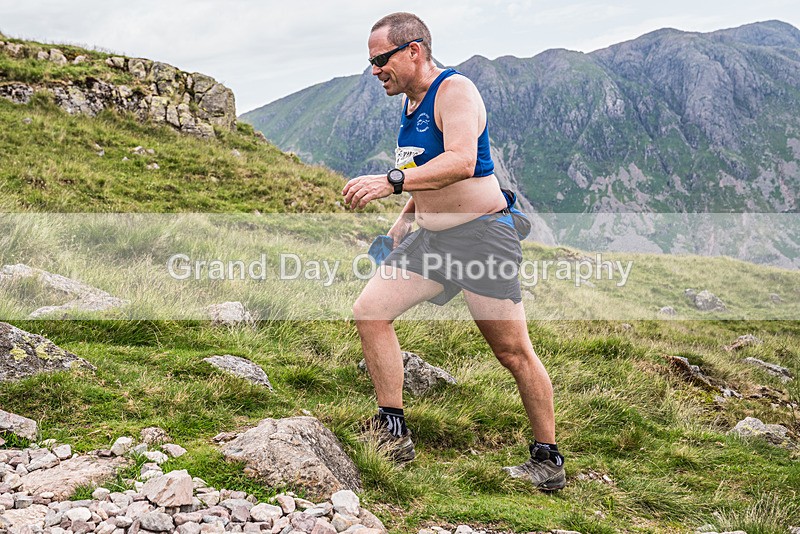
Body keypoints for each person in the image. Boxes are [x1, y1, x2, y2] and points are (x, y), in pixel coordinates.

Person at [341, 12, 565, 492]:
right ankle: (392, 430)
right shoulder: (408, 104)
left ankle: (548, 460)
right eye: (371, 62)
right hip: (432, 241)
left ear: (414, 50)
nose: (375, 70)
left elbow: (461, 162)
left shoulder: (456, 91)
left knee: (512, 352)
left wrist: (390, 182)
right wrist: (402, 224)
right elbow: (427, 173)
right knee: (369, 311)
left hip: (482, 237)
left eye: (380, 60)